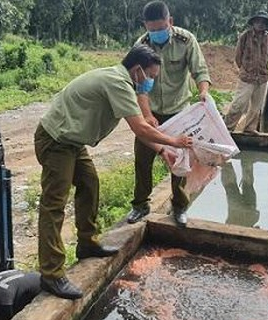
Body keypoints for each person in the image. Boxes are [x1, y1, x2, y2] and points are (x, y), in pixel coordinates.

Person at [35, 44, 193, 300]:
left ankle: (87, 243)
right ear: (138, 70)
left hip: (71, 142)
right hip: (56, 141)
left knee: (90, 184)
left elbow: (139, 130)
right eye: (151, 77)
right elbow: (141, 128)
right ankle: (51, 274)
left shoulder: (120, 79)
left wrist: (163, 152)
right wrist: (174, 142)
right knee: (54, 204)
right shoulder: (118, 83)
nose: (150, 82)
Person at [126, 0, 212, 228]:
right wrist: (145, 115)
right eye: (151, 29)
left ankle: (180, 207)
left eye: (160, 28)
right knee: (143, 160)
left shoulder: (186, 40)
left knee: (180, 162)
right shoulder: (142, 45)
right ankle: (140, 205)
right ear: (145, 26)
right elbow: (136, 83)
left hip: (179, 112)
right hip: (150, 112)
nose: (155, 33)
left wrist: (203, 93)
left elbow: (200, 70)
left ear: (170, 22)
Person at [224, 10, 268, 135]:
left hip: (262, 77)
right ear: (253, 23)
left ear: (266, 24)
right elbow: (238, 56)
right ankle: (228, 128)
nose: (261, 24)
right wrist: (244, 69)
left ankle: (250, 129)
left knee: (256, 107)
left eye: (263, 22)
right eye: (258, 22)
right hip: (246, 77)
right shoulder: (245, 36)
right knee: (239, 104)